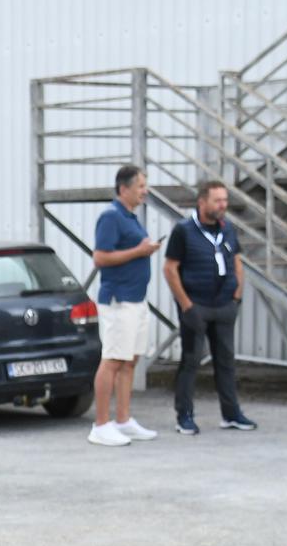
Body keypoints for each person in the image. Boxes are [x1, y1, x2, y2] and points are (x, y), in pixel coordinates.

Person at [163, 180, 256, 434]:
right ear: (202, 202)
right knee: (191, 361)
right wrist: (187, 306)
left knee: (226, 361)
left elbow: (237, 262)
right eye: (217, 200)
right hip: (196, 306)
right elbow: (170, 269)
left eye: (225, 200)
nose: (222, 205)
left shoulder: (228, 230)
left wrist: (236, 296)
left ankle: (231, 414)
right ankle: (184, 416)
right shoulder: (184, 230)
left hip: (225, 305)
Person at [89, 165, 161, 447]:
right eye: (140, 186)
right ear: (124, 189)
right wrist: (139, 251)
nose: (145, 191)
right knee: (113, 359)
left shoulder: (131, 217)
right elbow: (100, 258)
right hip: (119, 300)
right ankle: (101, 424)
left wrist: (144, 248)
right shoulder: (111, 217)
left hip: (136, 298)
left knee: (130, 359)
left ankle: (123, 419)